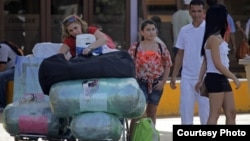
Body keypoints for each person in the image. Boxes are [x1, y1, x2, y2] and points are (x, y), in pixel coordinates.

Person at [195, 4, 241, 125]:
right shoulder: (213, 39)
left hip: (221, 78)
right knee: (215, 114)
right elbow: (217, 64)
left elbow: (206, 61)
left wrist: (199, 79)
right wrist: (234, 77)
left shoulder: (218, 37)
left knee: (231, 112)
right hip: (215, 77)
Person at [128, 19, 172, 135]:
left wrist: (163, 82)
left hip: (156, 83)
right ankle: (131, 137)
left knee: (152, 112)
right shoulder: (135, 47)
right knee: (139, 112)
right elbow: (128, 64)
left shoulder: (161, 47)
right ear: (141, 32)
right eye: (148, 30)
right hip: (140, 83)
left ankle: (150, 136)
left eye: (153, 29)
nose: (151, 32)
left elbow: (167, 65)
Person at [170, 0, 209, 125]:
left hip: (205, 78)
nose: (196, 14)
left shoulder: (210, 30)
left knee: (206, 115)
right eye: (194, 11)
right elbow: (180, 54)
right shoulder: (184, 30)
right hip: (187, 78)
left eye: (199, 11)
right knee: (186, 115)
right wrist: (174, 76)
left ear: (204, 12)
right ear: (189, 12)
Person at [0, 42, 20, 111]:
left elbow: (2, 67)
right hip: (8, 70)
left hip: (16, 69)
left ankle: (1, 105)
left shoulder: (2, 48)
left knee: (1, 76)